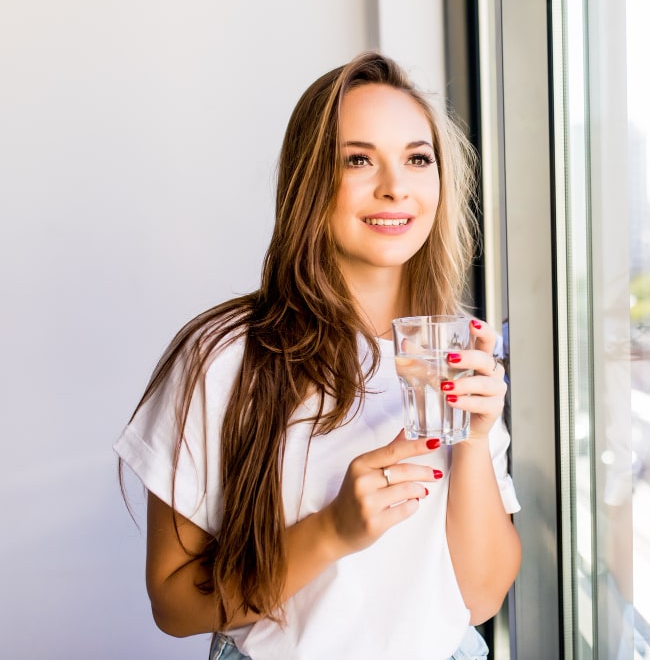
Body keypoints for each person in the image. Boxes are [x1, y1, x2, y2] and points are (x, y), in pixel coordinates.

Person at [114, 51, 522, 660]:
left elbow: (482, 597)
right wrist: (331, 532)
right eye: (359, 159)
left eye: (417, 158)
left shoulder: (455, 348)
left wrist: (473, 439)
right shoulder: (226, 357)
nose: (395, 186)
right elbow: (174, 604)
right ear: (310, 181)